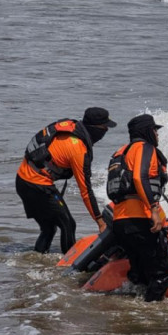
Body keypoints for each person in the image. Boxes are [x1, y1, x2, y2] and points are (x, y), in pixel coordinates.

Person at [16, 107, 116, 253]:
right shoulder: (77, 150)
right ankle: (70, 265)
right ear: (95, 128)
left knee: (49, 228)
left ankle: (38, 260)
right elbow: (86, 191)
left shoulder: (70, 126)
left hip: (22, 180)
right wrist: (100, 221)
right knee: (68, 224)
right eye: (104, 127)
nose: (106, 130)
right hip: (37, 186)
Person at [107, 114, 168, 302]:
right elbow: (139, 177)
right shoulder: (145, 148)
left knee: (141, 273)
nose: (157, 134)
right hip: (141, 220)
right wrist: (154, 208)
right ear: (146, 131)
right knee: (164, 271)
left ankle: (133, 316)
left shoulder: (120, 152)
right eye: (155, 130)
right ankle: (149, 316)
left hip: (121, 222)